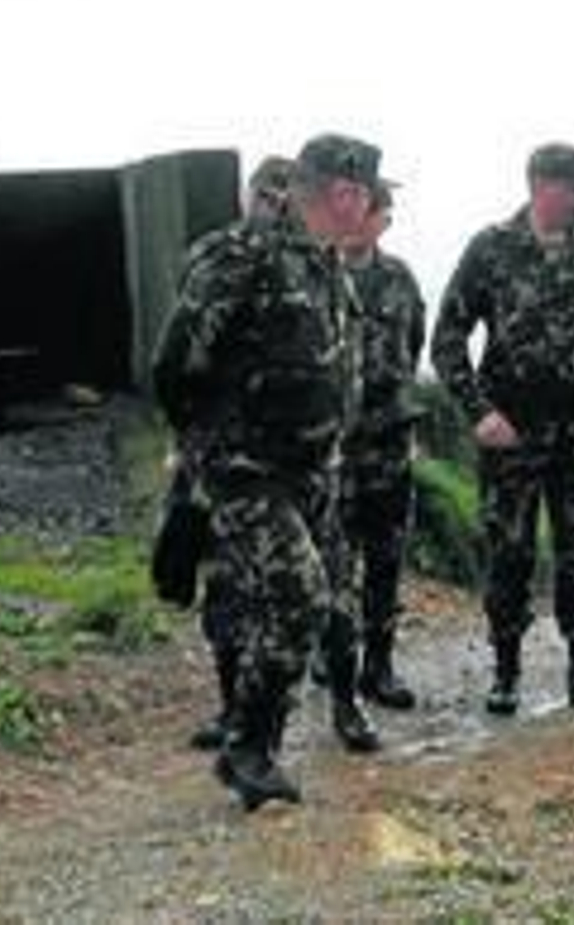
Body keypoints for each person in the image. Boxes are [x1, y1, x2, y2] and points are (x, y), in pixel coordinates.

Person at [152, 134, 384, 810]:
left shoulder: (324, 261)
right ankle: (247, 749)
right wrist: (201, 448)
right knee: (299, 596)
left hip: (313, 469)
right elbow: (175, 361)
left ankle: (260, 742)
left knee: (318, 602)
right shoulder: (243, 254)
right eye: (365, 194)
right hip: (247, 468)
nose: (369, 205)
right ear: (343, 193)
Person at [431, 143, 574, 717]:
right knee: (510, 553)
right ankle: (506, 673)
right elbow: (448, 337)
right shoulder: (492, 248)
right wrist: (478, 412)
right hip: (512, 433)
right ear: (541, 185)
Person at [175, 155, 296, 753]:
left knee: (282, 592)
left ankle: (261, 720)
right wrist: (190, 436)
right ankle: (232, 711)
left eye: (282, 197)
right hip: (225, 452)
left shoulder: (302, 264)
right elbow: (180, 355)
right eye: (266, 195)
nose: (273, 206)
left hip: (284, 458)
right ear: (250, 194)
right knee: (226, 585)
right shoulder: (215, 254)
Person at [339, 182, 427, 710]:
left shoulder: (399, 279)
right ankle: (334, 661)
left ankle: (379, 666)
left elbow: (412, 345)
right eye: (368, 211)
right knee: (334, 561)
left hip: (389, 444)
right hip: (333, 448)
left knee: (385, 561)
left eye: (381, 214)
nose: (370, 221)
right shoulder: (318, 275)